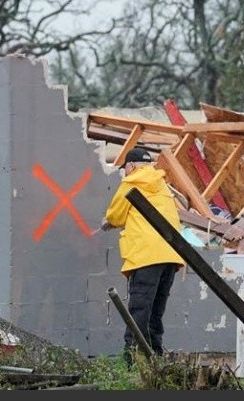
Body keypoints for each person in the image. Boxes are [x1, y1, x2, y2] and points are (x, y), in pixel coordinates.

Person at [101, 146, 185, 367]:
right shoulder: (162, 186)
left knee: (139, 309)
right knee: (156, 310)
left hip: (147, 256)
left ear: (130, 167)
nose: (125, 173)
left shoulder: (131, 183)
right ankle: (155, 358)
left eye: (125, 169)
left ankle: (131, 361)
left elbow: (116, 215)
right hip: (170, 256)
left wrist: (107, 222)